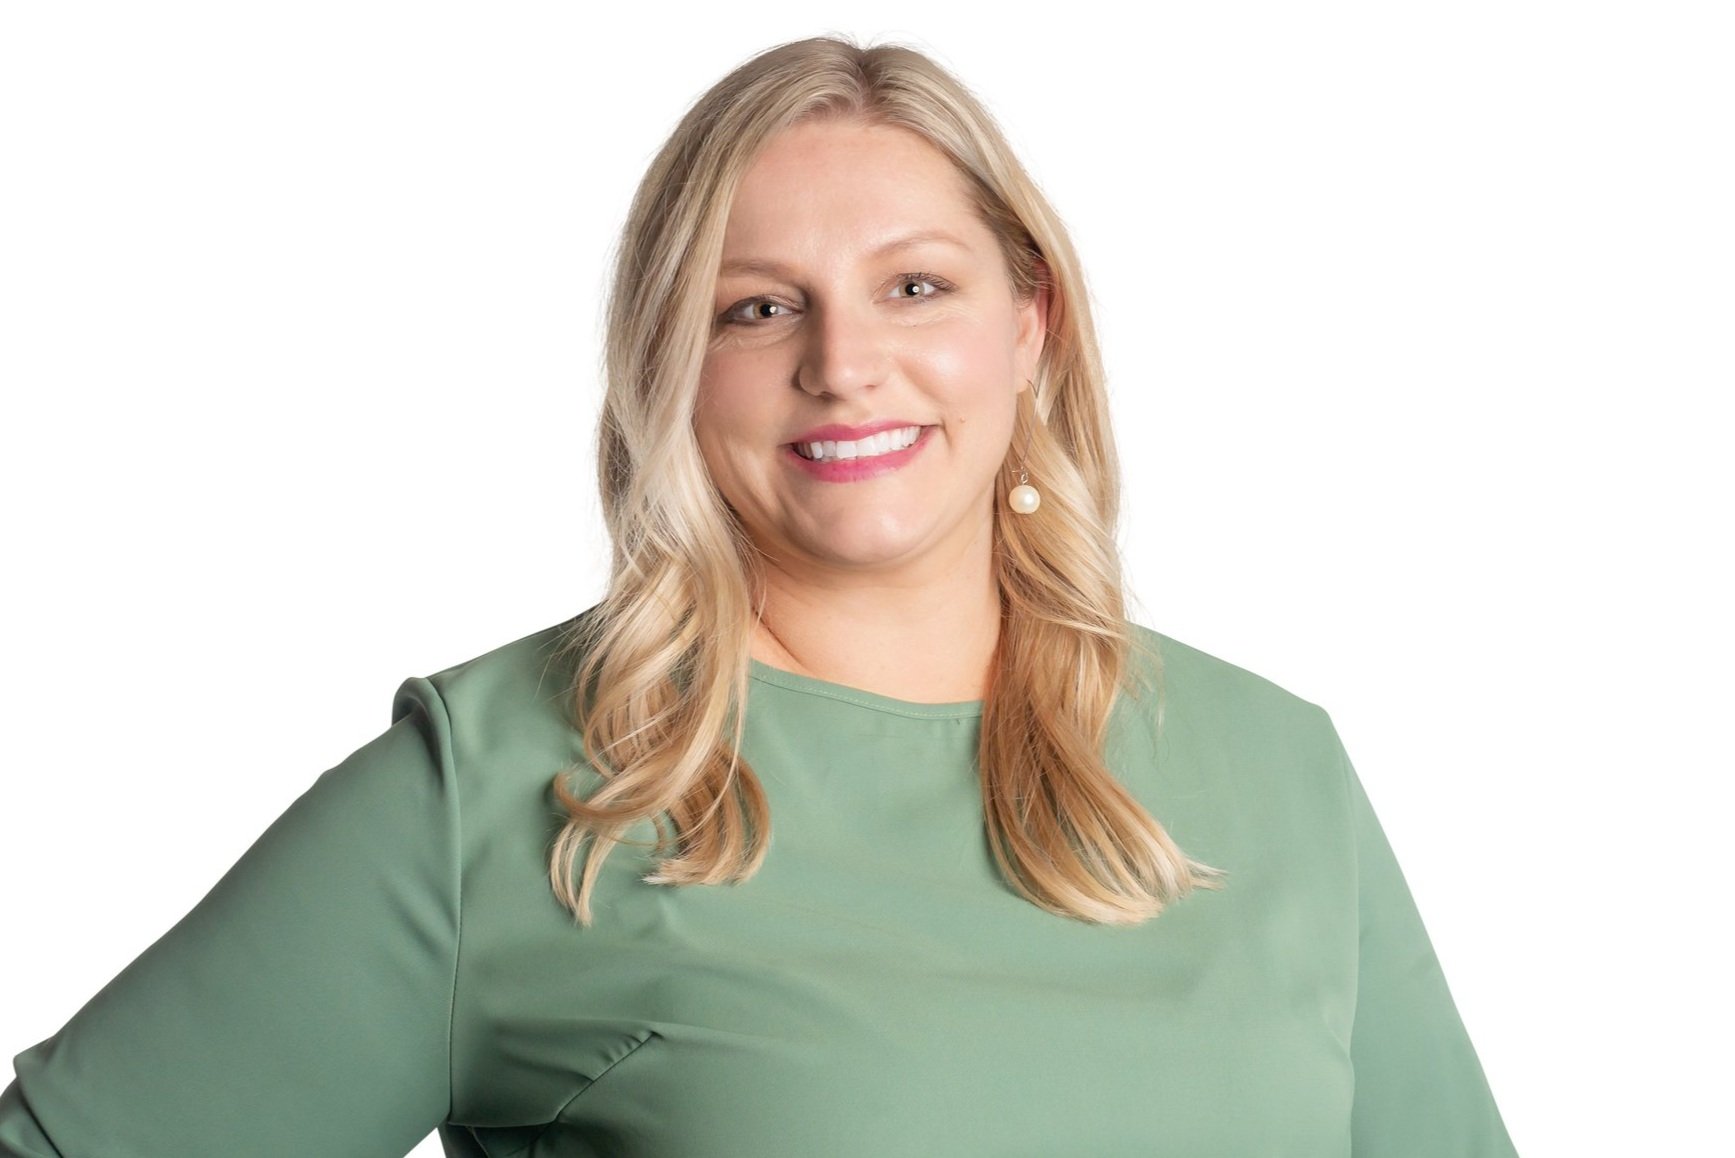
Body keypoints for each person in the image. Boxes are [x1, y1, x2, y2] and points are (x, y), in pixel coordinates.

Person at [0, 34, 1519, 1157]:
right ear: (674, 366)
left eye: (915, 286)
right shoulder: (504, 787)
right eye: (757, 307)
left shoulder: (1276, 770)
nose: (843, 362)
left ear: (1029, 327)